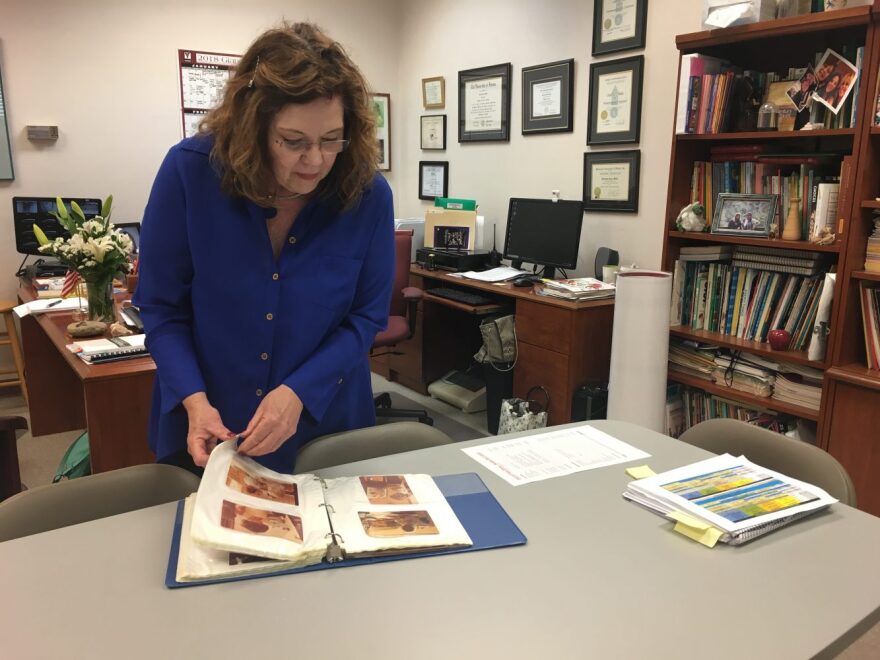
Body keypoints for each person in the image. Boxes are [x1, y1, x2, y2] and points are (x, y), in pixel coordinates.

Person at [134, 22, 394, 474]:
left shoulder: (366, 194)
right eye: (293, 142)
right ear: (253, 127)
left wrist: (299, 392)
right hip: (209, 420)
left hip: (322, 418)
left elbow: (366, 317)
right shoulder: (190, 174)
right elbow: (161, 307)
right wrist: (193, 400)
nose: (316, 160)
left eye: (332, 139)